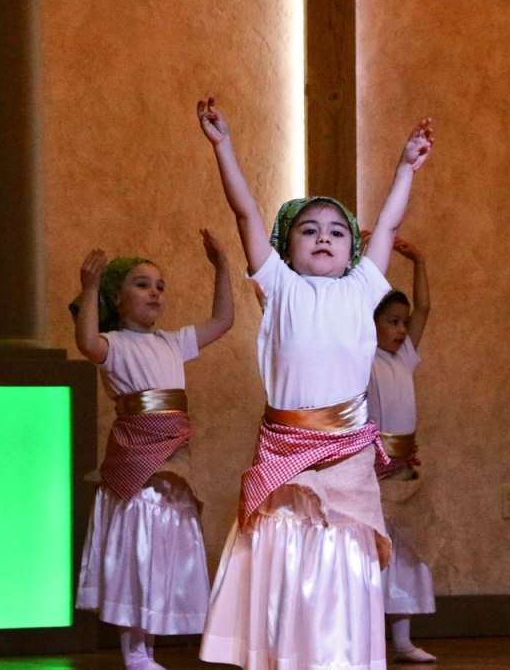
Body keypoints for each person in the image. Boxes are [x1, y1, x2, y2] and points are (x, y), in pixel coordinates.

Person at [195, 96, 433, 670]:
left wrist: (405, 166)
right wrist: (224, 146)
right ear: (287, 247)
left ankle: (340, 657)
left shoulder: (362, 288)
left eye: (336, 231)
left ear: (353, 250)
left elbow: (390, 223)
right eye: (309, 230)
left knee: (342, 554)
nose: (324, 237)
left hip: (347, 453)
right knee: (286, 554)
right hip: (285, 450)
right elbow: (246, 214)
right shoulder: (278, 286)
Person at [70, 230, 234, 670]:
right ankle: (134, 652)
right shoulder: (115, 344)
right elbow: (87, 343)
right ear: (117, 298)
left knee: (162, 549)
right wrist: (89, 288)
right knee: (137, 547)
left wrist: (222, 267)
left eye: (160, 286)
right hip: (135, 457)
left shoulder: (172, 342)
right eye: (142, 284)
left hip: (174, 457)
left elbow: (222, 321)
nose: (155, 292)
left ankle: (149, 649)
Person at [367, 237, 437, 663]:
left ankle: (404, 640)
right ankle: (368, 637)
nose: (401, 330)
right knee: (376, 552)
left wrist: (420, 261)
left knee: (407, 551)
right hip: (374, 469)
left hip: (404, 470)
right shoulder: (363, 358)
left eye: (403, 323)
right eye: (391, 322)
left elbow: (424, 308)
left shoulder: (405, 357)